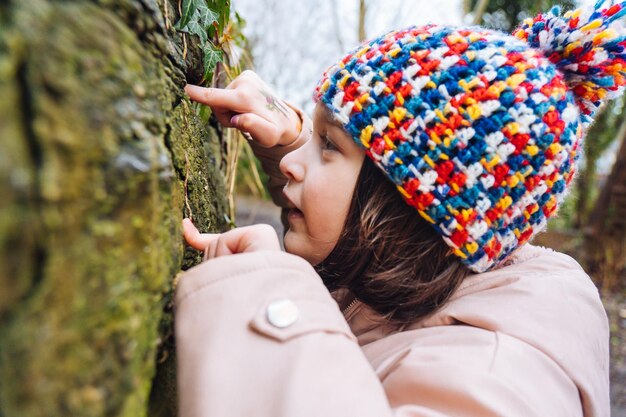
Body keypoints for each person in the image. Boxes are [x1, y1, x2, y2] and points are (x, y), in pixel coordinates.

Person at [174, 2, 625, 416]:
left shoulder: (500, 378)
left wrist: (267, 296)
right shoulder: (430, 267)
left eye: (328, 144)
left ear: (408, 206)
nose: (293, 162)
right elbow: (352, 202)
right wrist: (289, 131)